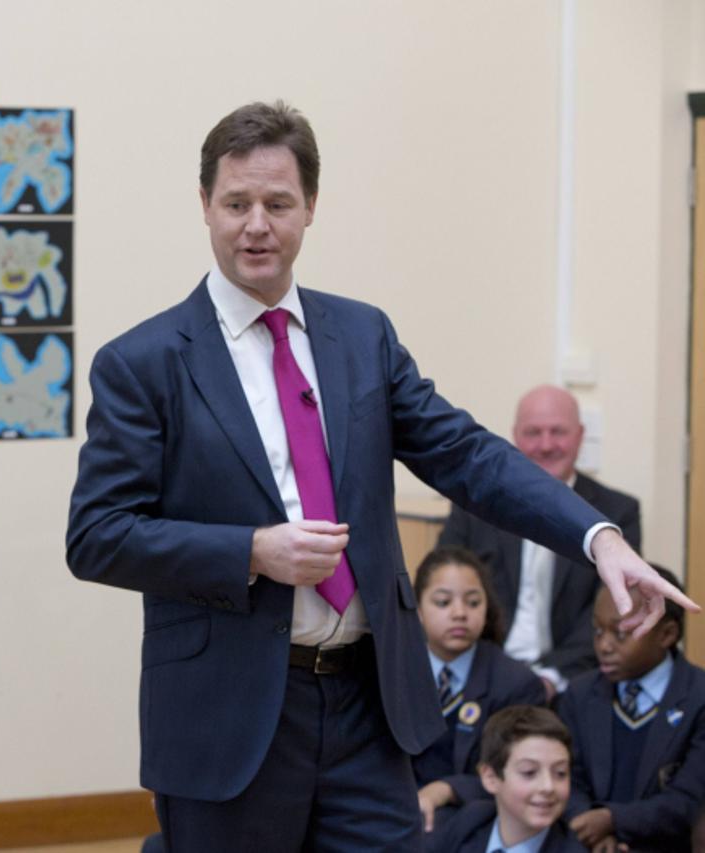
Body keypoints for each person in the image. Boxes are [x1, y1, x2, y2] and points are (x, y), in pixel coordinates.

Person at [64, 99, 695, 851]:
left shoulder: (360, 335)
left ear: (310, 207)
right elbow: (97, 534)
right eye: (235, 203)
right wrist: (252, 550)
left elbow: (467, 454)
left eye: (277, 203)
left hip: (369, 701)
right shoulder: (143, 361)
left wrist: (595, 537)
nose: (255, 224)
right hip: (228, 711)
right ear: (204, 205)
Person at [441, 385, 642, 696]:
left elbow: (613, 610)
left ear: (579, 436)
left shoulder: (616, 513)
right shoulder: (474, 507)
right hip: (482, 674)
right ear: (515, 437)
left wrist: (550, 679)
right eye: (533, 432)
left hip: (574, 682)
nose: (546, 445)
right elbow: (442, 590)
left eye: (557, 432)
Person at [559, 566, 705, 852]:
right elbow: (567, 778)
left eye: (620, 633)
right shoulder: (578, 694)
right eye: (598, 630)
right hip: (589, 844)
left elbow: (687, 800)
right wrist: (595, 830)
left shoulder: (699, 698)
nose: (603, 645)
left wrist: (613, 820)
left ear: (666, 635)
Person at [413, 546, 546, 833]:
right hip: (398, 812)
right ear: (418, 609)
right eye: (443, 602)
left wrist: (446, 790)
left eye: (473, 602)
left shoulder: (517, 684)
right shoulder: (394, 672)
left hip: (478, 820)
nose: (460, 613)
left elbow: (519, 774)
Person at [425, 705, 584, 853]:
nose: (548, 787)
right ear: (490, 777)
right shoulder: (472, 820)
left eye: (560, 773)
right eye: (529, 772)